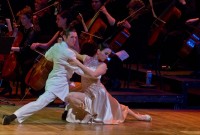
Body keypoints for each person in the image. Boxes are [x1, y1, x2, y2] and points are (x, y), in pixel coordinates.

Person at [2, 28, 83, 125]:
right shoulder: (69, 52)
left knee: (73, 96)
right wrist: (94, 73)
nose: (74, 40)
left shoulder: (57, 46)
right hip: (57, 84)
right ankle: (12, 116)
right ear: (64, 37)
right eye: (71, 37)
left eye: (76, 37)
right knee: (40, 103)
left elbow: (48, 56)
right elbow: (79, 70)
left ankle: (67, 113)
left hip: (60, 82)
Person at [64, 42, 152, 124]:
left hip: (98, 95)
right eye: (106, 53)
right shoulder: (87, 59)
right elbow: (75, 54)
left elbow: (93, 74)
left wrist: (79, 64)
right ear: (98, 51)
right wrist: (62, 45)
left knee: (117, 107)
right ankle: (89, 113)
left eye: (108, 55)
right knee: (69, 96)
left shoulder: (103, 66)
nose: (107, 57)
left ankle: (138, 116)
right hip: (88, 93)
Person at [0, 6, 39, 97]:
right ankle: (6, 85)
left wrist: (12, 49)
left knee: (12, 63)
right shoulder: (22, 28)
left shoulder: (32, 31)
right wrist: (14, 30)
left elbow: (25, 49)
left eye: (24, 18)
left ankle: (18, 88)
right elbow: (13, 39)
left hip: (28, 55)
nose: (21, 20)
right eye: (21, 18)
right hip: (19, 53)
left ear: (29, 19)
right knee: (2, 61)